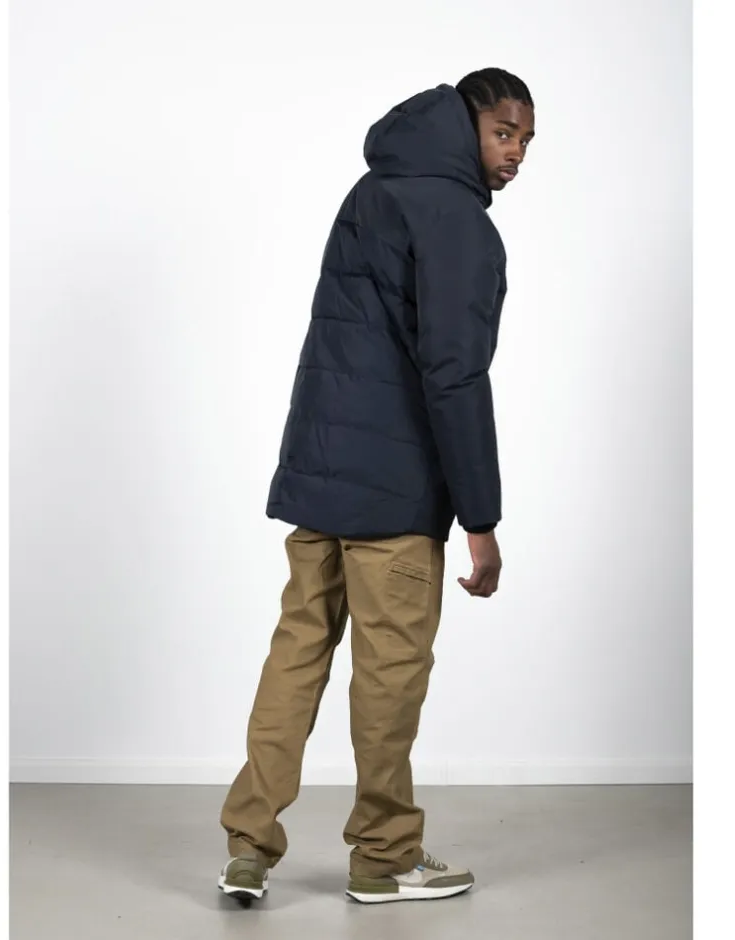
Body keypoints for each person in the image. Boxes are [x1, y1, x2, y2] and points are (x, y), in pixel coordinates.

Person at [217, 68, 536, 905]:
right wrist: (481, 519)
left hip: (319, 477)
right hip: (394, 497)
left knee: (295, 657)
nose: (516, 154)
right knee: (389, 677)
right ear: (467, 124)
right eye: (504, 133)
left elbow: (338, 339)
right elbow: (453, 376)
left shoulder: (372, 190)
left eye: (526, 140)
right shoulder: (458, 220)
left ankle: (247, 848)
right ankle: (385, 857)